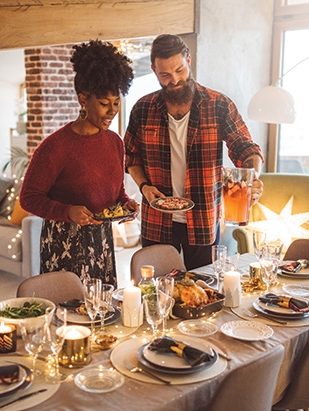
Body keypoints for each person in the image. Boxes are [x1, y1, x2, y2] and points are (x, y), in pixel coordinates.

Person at [124, 34, 264, 270]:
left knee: (204, 290)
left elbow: (246, 149)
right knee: (155, 291)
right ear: (154, 71)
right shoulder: (142, 108)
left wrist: (252, 178)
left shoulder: (218, 104)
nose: (175, 80)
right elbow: (131, 156)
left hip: (202, 219)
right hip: (157, 219)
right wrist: (144, 186)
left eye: (180, 70)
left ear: (189, 60)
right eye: (165, 75)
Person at [20, 40, 138, 286]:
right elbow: (29, 198)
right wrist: (67, 211)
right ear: (83, 99)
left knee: (104, 312)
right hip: (64, 245)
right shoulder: (55, 147)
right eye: (104, 103)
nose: (112, 111)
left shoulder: (115, 143)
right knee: (70, 316)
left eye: (117, 103)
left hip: (101, 242)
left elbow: (116, 192)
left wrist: (125, 205)